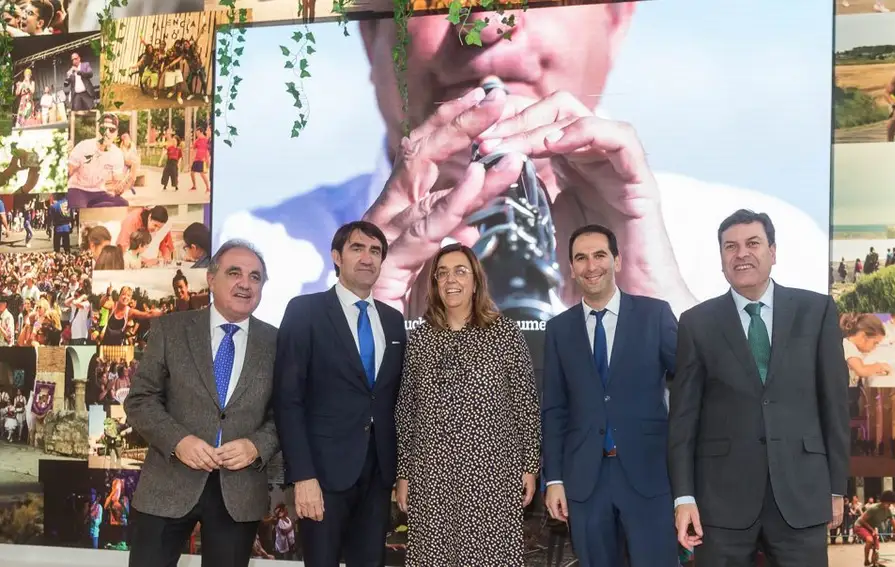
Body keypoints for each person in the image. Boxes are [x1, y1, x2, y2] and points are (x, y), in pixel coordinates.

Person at [222, 4, 828, 325]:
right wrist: (363, 309)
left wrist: (656, 305)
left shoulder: (783, 247)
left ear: (616, 20)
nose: (486, 25)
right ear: (371, 30)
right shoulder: (254, 258)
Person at [668, 209, 850, 566]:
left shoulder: (817, 311)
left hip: (802, 494)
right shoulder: (696, 323)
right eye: (730, 247)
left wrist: (836, 487)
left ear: (773, 251)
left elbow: (836, 406)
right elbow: (683, 420)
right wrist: (683, 497)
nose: (741, 254)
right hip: (721, 503)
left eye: (753, 243)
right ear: (721, 258)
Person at [122, 240, 280, 567]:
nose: (245, 283)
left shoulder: (278, 342)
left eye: (255, 277)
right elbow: (140, 400)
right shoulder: (170, 329)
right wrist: (179, 441)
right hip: (168, 482)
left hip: (239, 491)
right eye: (234, 273)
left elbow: (286, 414)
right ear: (211, 279)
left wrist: (256, 445)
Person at [395, 243, 541, 565]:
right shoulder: (420, 339)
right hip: (432, 477)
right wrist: (403, 474)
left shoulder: (504, 333)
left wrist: (530, 466)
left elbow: (525, 405)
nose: (451, 280)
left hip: (491, 477)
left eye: (460, 271)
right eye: (442, 273)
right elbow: (406, 411)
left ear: (476, 280)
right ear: (433, 283)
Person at [542, 224, 679, 566]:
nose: (591, 266)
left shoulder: (655, 315)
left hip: (648, 474)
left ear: (617, 261)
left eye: (600, 255)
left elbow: (690, 384)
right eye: (581, 258)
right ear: (571, 269)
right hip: (585, 481)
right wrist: (554, 479)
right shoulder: (558, 330)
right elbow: (555, 409)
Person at [273, 220, 407, 567]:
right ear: (336, 256)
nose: (367, 258)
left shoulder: (394, 321)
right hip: (323, 475)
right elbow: (288, 400)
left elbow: (394, 400)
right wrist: (303, 476)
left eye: (375, 251)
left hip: (378, 476)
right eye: (357, 248)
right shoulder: (305, 312)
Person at [854, 490, 895, 566]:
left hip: (871, 527)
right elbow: (862, 520)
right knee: (869, 540)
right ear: (883, 501)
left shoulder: (888, 511)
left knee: (876, 547)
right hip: (860, 526)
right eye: (888, 503)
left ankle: (874, 563)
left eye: (891, 504)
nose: (890, 505)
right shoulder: (873, 508)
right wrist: (872, 529)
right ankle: (866, 560)